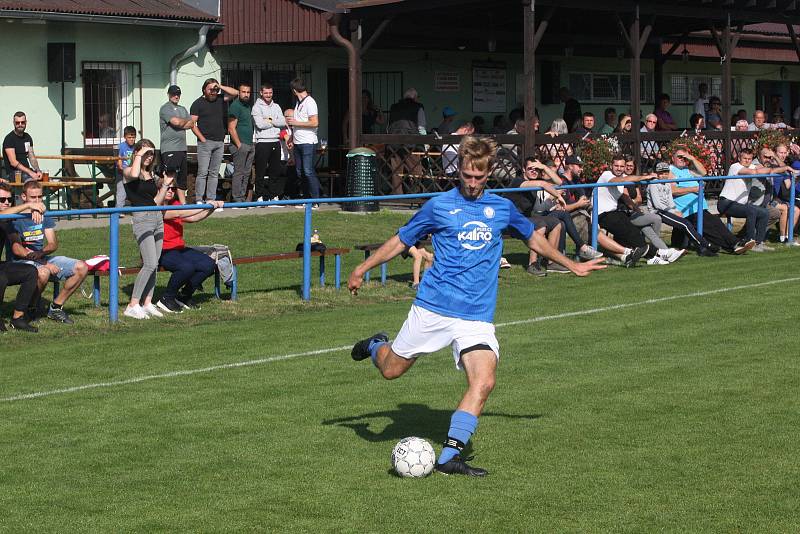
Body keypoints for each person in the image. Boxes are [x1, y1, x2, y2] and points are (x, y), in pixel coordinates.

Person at [348, 136, 604, 477]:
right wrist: (361, 269)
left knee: (484, 382)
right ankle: (377, 344)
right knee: (392, 370)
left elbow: (532, 238)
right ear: (460, 171)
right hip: (434, 307)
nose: (471, 183)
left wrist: (572, 265)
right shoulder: (438, 206)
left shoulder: (501, 208)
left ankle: (449, 458)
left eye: (478, 177)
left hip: (476, 317)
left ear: (488, 174)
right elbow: (401, 240)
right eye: (466, 175)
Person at [8, 180, 88, 324]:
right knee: (43, 272)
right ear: (24, 197)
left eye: (40, 197)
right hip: (21, 261)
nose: (37, 201)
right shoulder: (14, 218)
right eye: (33, 198)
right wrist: (42, 261)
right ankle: (30, 308)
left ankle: (56, 307)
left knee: (82, 267)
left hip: (41, 256)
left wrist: (41, 253)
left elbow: (53, 243)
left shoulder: (44, 215)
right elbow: (17, 249)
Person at [596, 154, 682, 265]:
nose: (619, 168)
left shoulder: (622, 179)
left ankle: (654, 256)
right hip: (601, 214)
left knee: (635, 230)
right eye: (616, 166)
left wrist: (637, 210)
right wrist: (643, 177)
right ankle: (659, 253)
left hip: (614, 212)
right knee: (631, 231)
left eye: (621, 166)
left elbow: (626, 198)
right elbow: (619, 181)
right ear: (611, 166)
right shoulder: (606, 175)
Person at [122, 139, 173, 320]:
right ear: (137, 152)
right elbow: (134, 173)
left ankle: (147, 302)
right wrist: (139, 153)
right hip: (142, 219)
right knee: (149, 263)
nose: (149, 157)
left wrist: (166, 184)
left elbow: (156, 202)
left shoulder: (151, 176)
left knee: (155, 264)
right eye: (146, 153)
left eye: (151, 154)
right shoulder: (128, 171)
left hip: (156, 217)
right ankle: (132, 304)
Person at [668, 149, 753, 254]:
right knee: (709, 229)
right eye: (679, 157)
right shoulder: (670, 171)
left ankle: (735, 244)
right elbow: (672, 190)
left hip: (699, 207)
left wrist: (692, 158)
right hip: (687, 210)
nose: (682, 159)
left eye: (684, 157)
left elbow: (703, 172)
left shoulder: (687, 170)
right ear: (673, 158)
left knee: (717, 222)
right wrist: (693, 189)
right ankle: (733, 245)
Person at [156, 182, 223, 313]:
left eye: (173, 188)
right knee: (186, 267)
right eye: (167, 188)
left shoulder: (175, 205)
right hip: (162, 251)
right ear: (159, 189)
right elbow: (179, 214)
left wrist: (211, 208)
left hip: (179, 248)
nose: (170, 191)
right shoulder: (156, 207)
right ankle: (166, 298)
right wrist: (207, 205)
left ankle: (184, 296)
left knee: (208, 265)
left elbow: (193, 218)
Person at [647, 162, 718, 256]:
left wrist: (675, 210)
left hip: (667, 210)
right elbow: (658, 205)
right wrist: (673, 212)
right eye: (661, 173)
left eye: (666, 173)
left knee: (685, 223)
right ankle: (705, 244)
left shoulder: (667, 183)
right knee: (685, 224)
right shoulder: (653, 184)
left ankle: (701, 249)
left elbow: (670, 201)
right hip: (658, 212)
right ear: (656, 173)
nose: (663, 175)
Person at [0, 183, 44, 332]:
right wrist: (29, 205)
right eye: (1, 199)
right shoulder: (5, 215)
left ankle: (18, 318)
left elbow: (15, 241)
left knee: (31, 271)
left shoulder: (8, 220)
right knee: (1, 278)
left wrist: (37, 209)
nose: (6, 202)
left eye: (9, 199)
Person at [190, 78, 239, 203]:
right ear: (204, 90)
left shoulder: (221, 99)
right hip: (205, 143)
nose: (213, 91)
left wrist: (220, 86)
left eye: (215, 89)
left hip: (219, 142)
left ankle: (210, 199)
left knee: (214, 173)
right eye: (210, 89)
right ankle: (199, 200)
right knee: (202, 172)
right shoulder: (197, 103)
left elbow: (235, 93)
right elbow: (192, 124)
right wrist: (202, 139)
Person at [720, 148, 775, 251]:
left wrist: (786, 168)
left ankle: (759, 243)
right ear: (739, 158)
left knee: (764, 213)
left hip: (739, 205)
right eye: (744, 158)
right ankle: (749, 241)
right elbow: (754, 172)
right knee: (752, 210)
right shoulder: (735, 166)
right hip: (725, 203)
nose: (747, 161)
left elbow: (770, 169)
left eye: (749, 159)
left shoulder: (752, 166)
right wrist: (767, 170)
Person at [286, 78, 321, 206]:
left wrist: (296, 123)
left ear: (294, 91)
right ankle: (307, 200)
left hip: (308, 142)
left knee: (308, 171)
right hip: (298, 142)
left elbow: (315, 122)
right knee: (300, 172)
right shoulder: (298, 103)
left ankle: (316, 201)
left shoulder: (310, 102)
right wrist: (291, 138)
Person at [159, 85, 195, 204]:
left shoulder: (183, 109)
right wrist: (182, 122)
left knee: (181, 180)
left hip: (182, 149)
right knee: (169, 177)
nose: (176, 96)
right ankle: (163, 204)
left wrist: (181, 122)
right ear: (169, 94)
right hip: (170, 149)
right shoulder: (165, 108)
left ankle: (183, 205)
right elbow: (176, 122)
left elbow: (191, 124)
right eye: (174, 94)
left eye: (178, 94)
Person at [251, 83, 286, 203]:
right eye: (266, 93)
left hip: (275, 141)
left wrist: (269, 120)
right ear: (261, 93)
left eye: (270, 93)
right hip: (262, 142)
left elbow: (283, 122)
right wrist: (274, 121)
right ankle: (259, 196)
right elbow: (259, 124)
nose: (268, 95)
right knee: (260, 171)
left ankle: (273, 196)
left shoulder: (276, 106)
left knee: (274, 171)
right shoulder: (256, 107)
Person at [227, 82, 255, 205]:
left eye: (248, 92)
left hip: (249, 144)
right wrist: (239, 144)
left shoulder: (247, 106)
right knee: (239, 172)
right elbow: (231, 128)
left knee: (247, 172)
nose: (246, 94)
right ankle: (237, 198)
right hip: (240, 145)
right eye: (243, 92)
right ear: (239, 93)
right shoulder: (235, 106)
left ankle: (242, 197)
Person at [3, 112, 42, 182]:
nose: (20, 125)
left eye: (22, 122)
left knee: (48, 181)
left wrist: (38, 170)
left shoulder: (27, 137)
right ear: (14, 123)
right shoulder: (9, 139)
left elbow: (31, 156)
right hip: (14, 173)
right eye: (17, 123)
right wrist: (30, 172)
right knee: (31, 183)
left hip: (27, 172)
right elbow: (13, 162)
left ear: (26, 122)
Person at [116, 126, 137, 208]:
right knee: (121, 191)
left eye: (133, 137)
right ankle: (119, 210)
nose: (131, 139)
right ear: (125, 137)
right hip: (121, 172)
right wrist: (120, 167)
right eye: (129, 137)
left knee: (136, 190)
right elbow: (119, 158)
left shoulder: (137, 147)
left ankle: (137, 208)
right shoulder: (121, 146)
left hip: (133, 172)